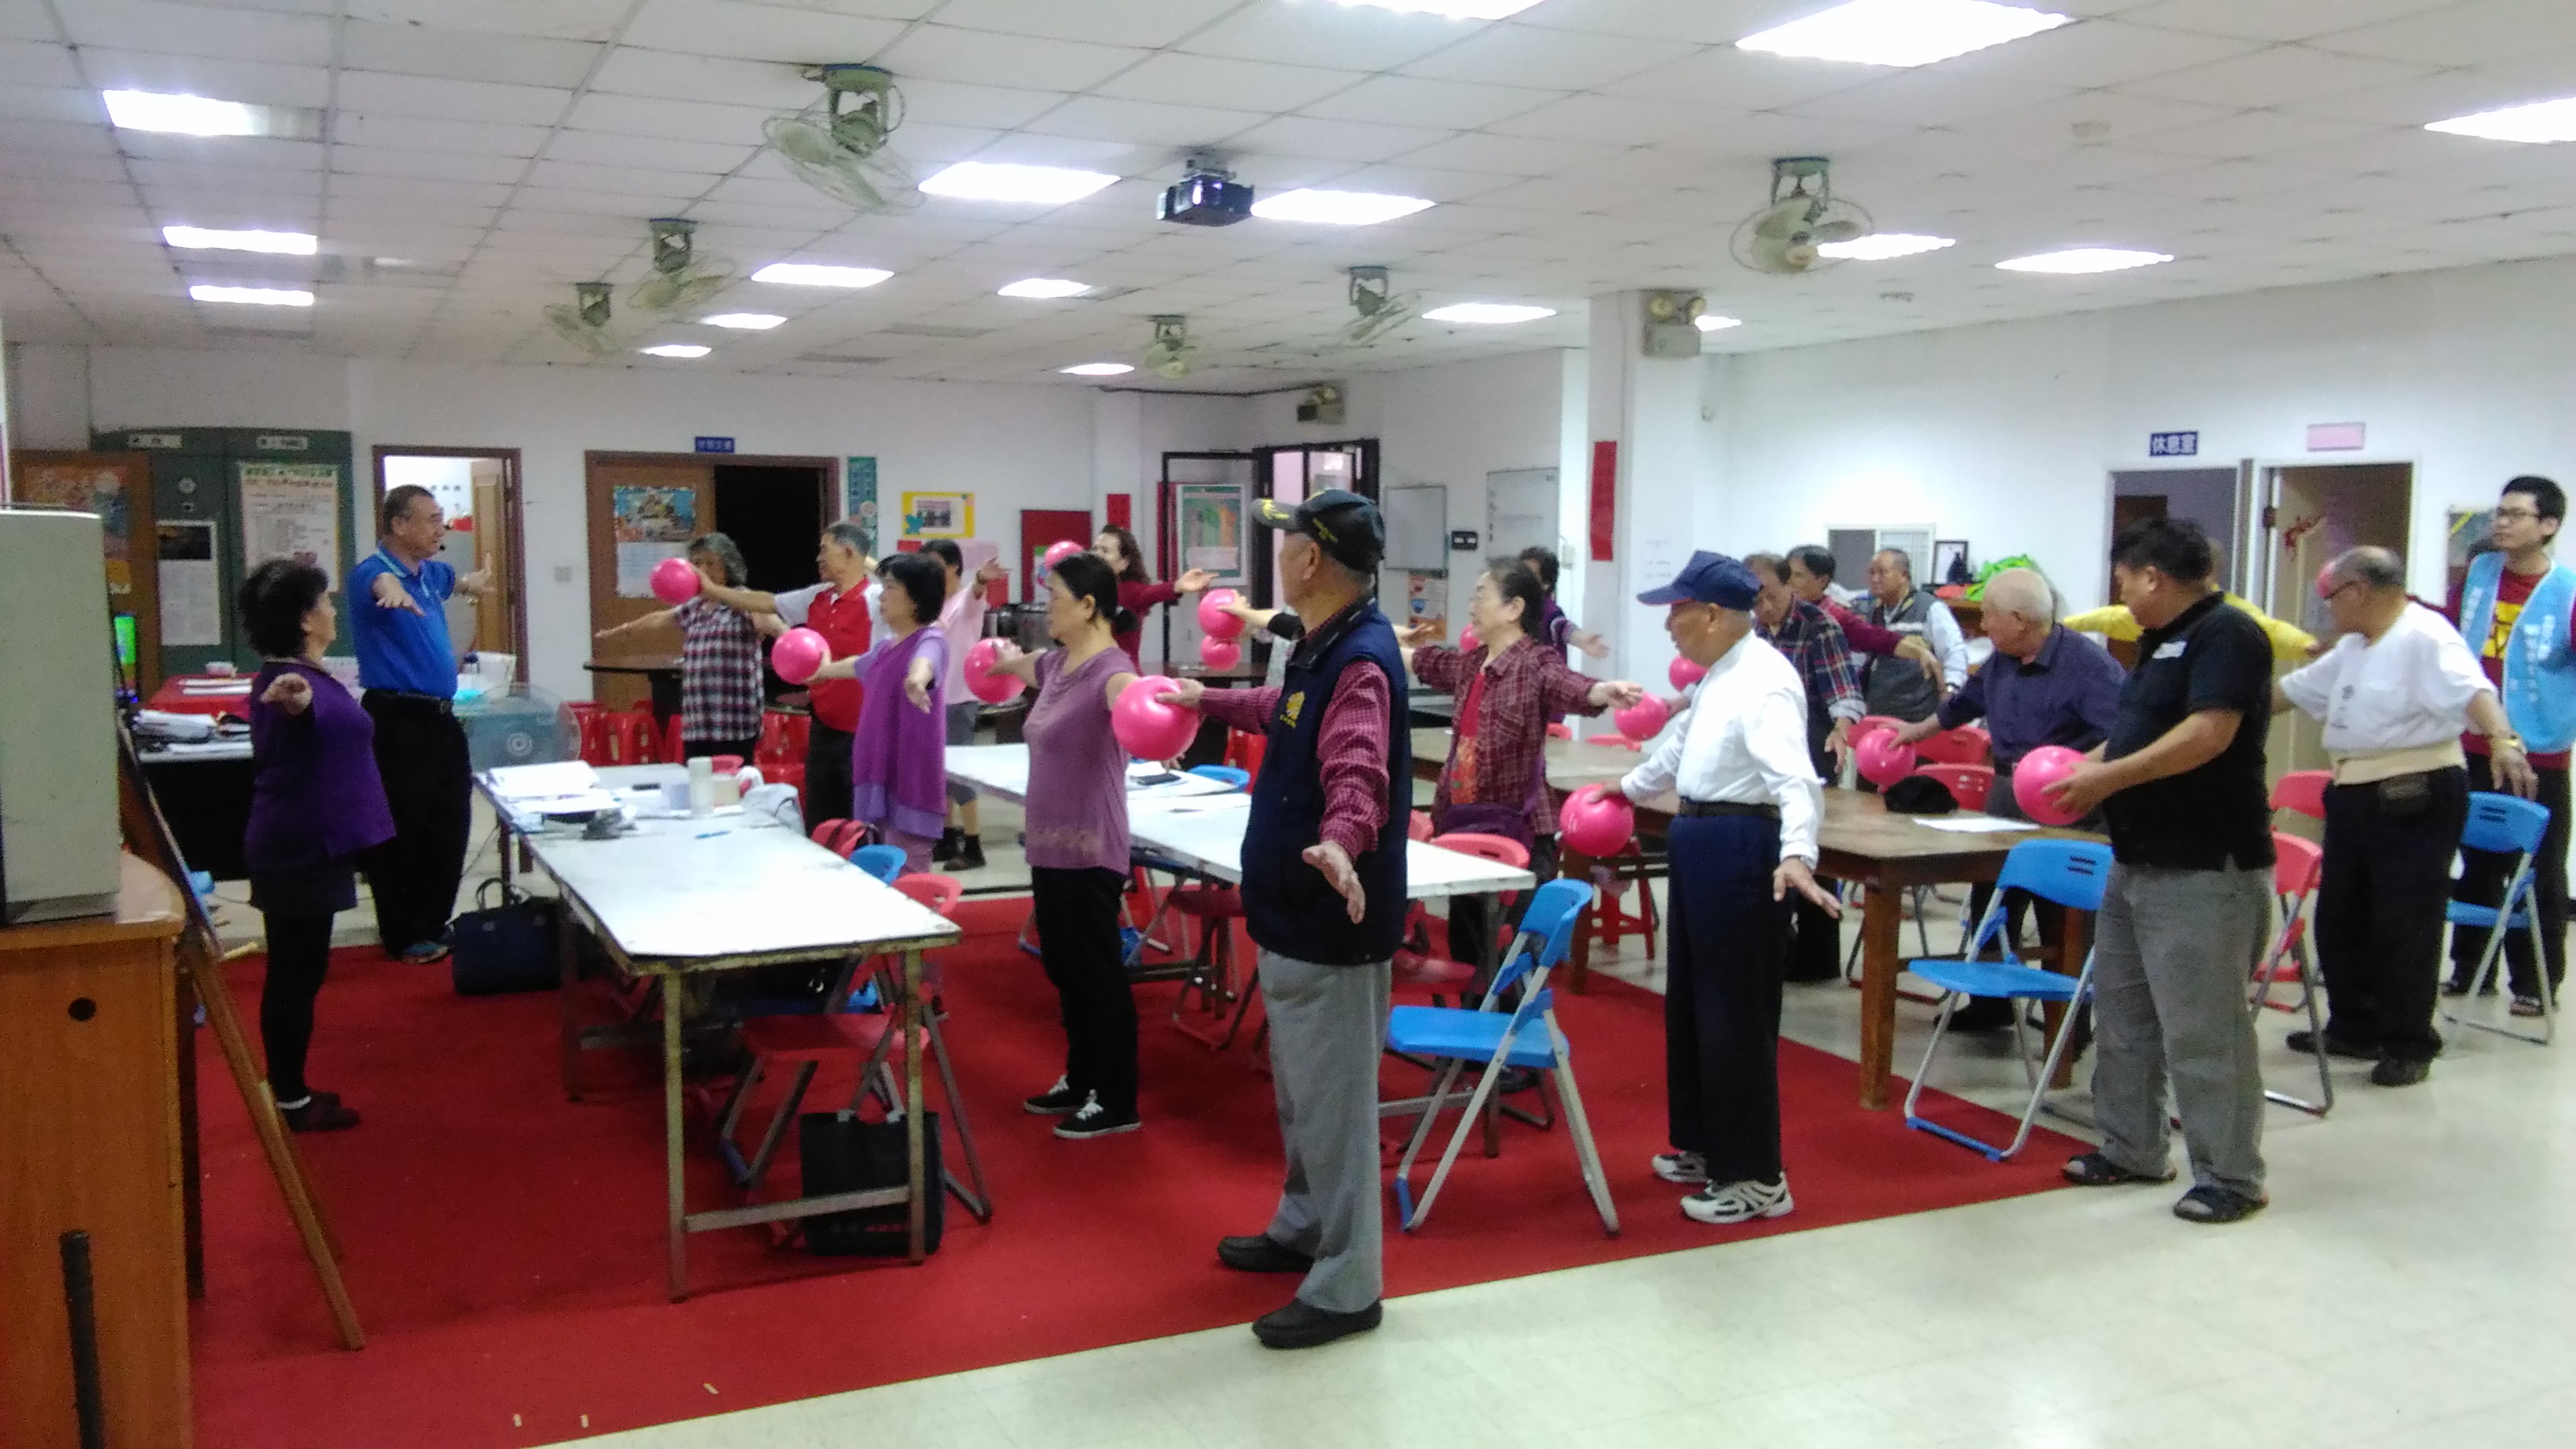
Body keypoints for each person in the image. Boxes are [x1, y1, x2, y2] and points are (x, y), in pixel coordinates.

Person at [1156, 489, 1407, 1352]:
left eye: (1284, 543)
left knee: (1336, 1111)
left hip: (1332, 922)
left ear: (1308, 559)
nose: (1277, 558)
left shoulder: (1362, 659)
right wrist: (1207, 700)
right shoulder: (1321, 643)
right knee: (1305, 1100)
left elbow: (1358, 765)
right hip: (1294, 912)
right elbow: (1287, 713)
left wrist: (1342, 840)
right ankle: (1303, 1229)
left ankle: (1348, 1287)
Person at [2042, 518, 2275, 1224]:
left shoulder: (2227, 634)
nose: (2121, 597)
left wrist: (2106, 779)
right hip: (2136, 858)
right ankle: (2132, 1147)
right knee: (2123, 1017)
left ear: (2153, 576)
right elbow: (2136, 732)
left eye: (2123, 583)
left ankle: (2231, 1175)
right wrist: (2086, 765)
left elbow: (2208, 735)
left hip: (2203, 866)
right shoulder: (2157, 642)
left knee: (2204, 1030)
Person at [1619, 552, 1838, 1226]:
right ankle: (1707, 1146)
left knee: (1733, 1015)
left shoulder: (1765, 681)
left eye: (1677, 613)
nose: (1668, 627)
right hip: (1699, 837)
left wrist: (1798, 854)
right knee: (1692, 1004)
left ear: (1713, 614)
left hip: (1742, 846)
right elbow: (1678, 750)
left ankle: (1757, 1177)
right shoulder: (1721, 674)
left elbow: (1797, 781)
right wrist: (1624, 792)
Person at [2275, 546, 2531, 1086]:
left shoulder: (2426, 634)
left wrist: (2503, 741)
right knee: (2341, 915)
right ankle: (2354, 1026)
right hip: (2353, 790)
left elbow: (2474, 691)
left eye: (2330, 598)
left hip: (2414, 790)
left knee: (2404, 920)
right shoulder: (2354, 647)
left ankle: (2409, 1042)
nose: (2328, 610)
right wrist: (2217, 708)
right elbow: (2292, 692)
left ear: (2358, 592)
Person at [1891, 567, 2125, 1028]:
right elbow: (1961, 707)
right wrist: (1914, 733)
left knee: (2062, 910)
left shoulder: (2089, 667)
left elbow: (2122, 734)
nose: (1981, 625)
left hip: (2065, 801)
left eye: (1989, 615)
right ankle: (1990, 1006)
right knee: (1994, 897)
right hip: (2007, 794)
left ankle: (2069, 1023)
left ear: (2019, 620)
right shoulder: (2001, 659)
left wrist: (2080, 770)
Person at [1398, 560, 1645, 969]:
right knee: (1468, 948)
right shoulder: (1471, 663)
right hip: (1463, 823)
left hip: (1517, 830)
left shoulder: (1536, 662)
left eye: (1481, 596)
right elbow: (1423, 661)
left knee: (1511, 953)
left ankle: (1510, 1010)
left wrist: (1603, 691)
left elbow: (1572, 686)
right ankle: (1476, 1010)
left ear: (1514, 608)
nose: (1472, 605)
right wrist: (1374, 638)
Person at [983, 551, 1149, 1138]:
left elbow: (1135, 699)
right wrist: (997, 659)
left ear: (1088, 605)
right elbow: (1019, 665)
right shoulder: (1056, 664)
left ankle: (1118, 1098)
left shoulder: (1112, 672)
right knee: (1063, 966)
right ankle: (1081, 1078)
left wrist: (1158, 714)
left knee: (1096, 972)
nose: (1045, 606)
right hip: (1049, 845)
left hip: (1091, 846)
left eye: (1054, 597)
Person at [240, 559, 394, 1133]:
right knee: (294, 975)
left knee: (302, 971)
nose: (333, 611)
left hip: (309, 843)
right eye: (325, 603)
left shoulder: (306, 672)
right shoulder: (290, 682)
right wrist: (298, 701)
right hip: (298, 847)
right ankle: (290, 1100)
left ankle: (292, 1088)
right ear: (306, 620)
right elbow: (300, 707)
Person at [347, 483, 492, 964]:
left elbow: (456, 581)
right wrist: (391, 592)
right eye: (430, 519)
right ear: (398, 524)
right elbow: (380, 585)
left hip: (441, 719)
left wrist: (474, 582)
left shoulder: (430, 573)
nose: (440, 528)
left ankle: (433, 922)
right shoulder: (373, 572)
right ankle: (404, 934)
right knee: (402, 828)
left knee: (450, 823)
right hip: (398, 719)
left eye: (441, 518)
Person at [2447, 475, 2575, 1017]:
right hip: (2475, 742)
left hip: (2538, 751)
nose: (2501, 522)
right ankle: (2469, 969)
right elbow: (2451, 635)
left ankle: (2534, 982)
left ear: (2547, 526)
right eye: (2498, 512)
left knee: (2538, 870)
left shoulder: (2567, 590)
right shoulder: (2480, 572)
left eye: (2515, 514)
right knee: (2477, 861)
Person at [698, 523, 874, 827]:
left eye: (825, 550)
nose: (818, 558)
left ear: (848, 553)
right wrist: (713, 591)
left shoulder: (877, 599)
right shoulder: (818, 596)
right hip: (823, 725)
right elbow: (767, 602)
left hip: (864, 730)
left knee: (859, 821)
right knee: (821, 817)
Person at [1744, 552, 1861, 983]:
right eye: (1756, 600)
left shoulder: (1818, 626)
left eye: (1771, 596)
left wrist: (1841, 730)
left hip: (1814, 740)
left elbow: (1843, 689)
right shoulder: (1754, 630)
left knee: (1812, 845)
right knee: (1775, 842)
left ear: (1789, 586)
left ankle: (1818, 956)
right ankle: (1784, 947)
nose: (1764, 607)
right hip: (1768, 744)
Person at [807, 552, 949, 868]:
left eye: (891, 589)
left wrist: (916, 680)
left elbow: (925, 662)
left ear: (916, 599)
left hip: (908, 778)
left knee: (905, 871)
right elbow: (857, 665)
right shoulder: (886, 647)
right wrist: (822, 671)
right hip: (878, 774)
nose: (882, 597)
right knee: (878, 865)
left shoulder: (931, 639)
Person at [593, 532, 773, 763]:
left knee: (731, 779)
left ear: (728, 567)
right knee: (698, 778)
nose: (702, 570)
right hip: (698, 720)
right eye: (697, 563)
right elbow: (658, 619)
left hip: (734, 720)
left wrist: (780, 632)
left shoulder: (743, 600)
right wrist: (620, 631)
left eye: (711, 563)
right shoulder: (695, 606)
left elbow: (766, 621)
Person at [919, 539, 1009, 871]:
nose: (929, 572)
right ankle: (947, 837)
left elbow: (976, 591)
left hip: (959, 699)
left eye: (935, 564)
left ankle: (973, 845)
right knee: (940, 772)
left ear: (953, 566)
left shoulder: (966, 600)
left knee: (959, 777)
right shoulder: (932, 605)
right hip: (934, 697)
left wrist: (982, 579)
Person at [1786, 545, 1942, 686]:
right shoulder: (1781, 611)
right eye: (1787, 574)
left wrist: (1921, 652)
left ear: (1822, 580)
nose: (1789, 582)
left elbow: (1879, 639)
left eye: (1798, 575)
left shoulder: (1835, 617)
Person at [1859, 549, 1969, 724]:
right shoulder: (1874, 611)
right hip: (1880, 710)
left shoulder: (1930, 608)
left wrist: (1950, 690)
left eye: (1882, 572)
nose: (1875, 579)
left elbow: (1954, 652)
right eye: (1871, 573)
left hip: (1918, 715)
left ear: (1904, 575)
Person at [1093, 525, 1215, 667]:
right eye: (1095, 549)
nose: (1097, 555)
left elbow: (1150, 593)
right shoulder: (1083, 592)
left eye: (1105, 551)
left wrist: (1177, 586)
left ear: (1123, 563)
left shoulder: (1130, 591)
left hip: (1121, 675)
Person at [1512, 546, 1612, 662]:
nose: (1523, 580)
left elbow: (1562, 627)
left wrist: (1581, 640)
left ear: (1546, 584)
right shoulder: (1511, 605)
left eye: (1530, 576)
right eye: (1520, 573)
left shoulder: (1548, 610)